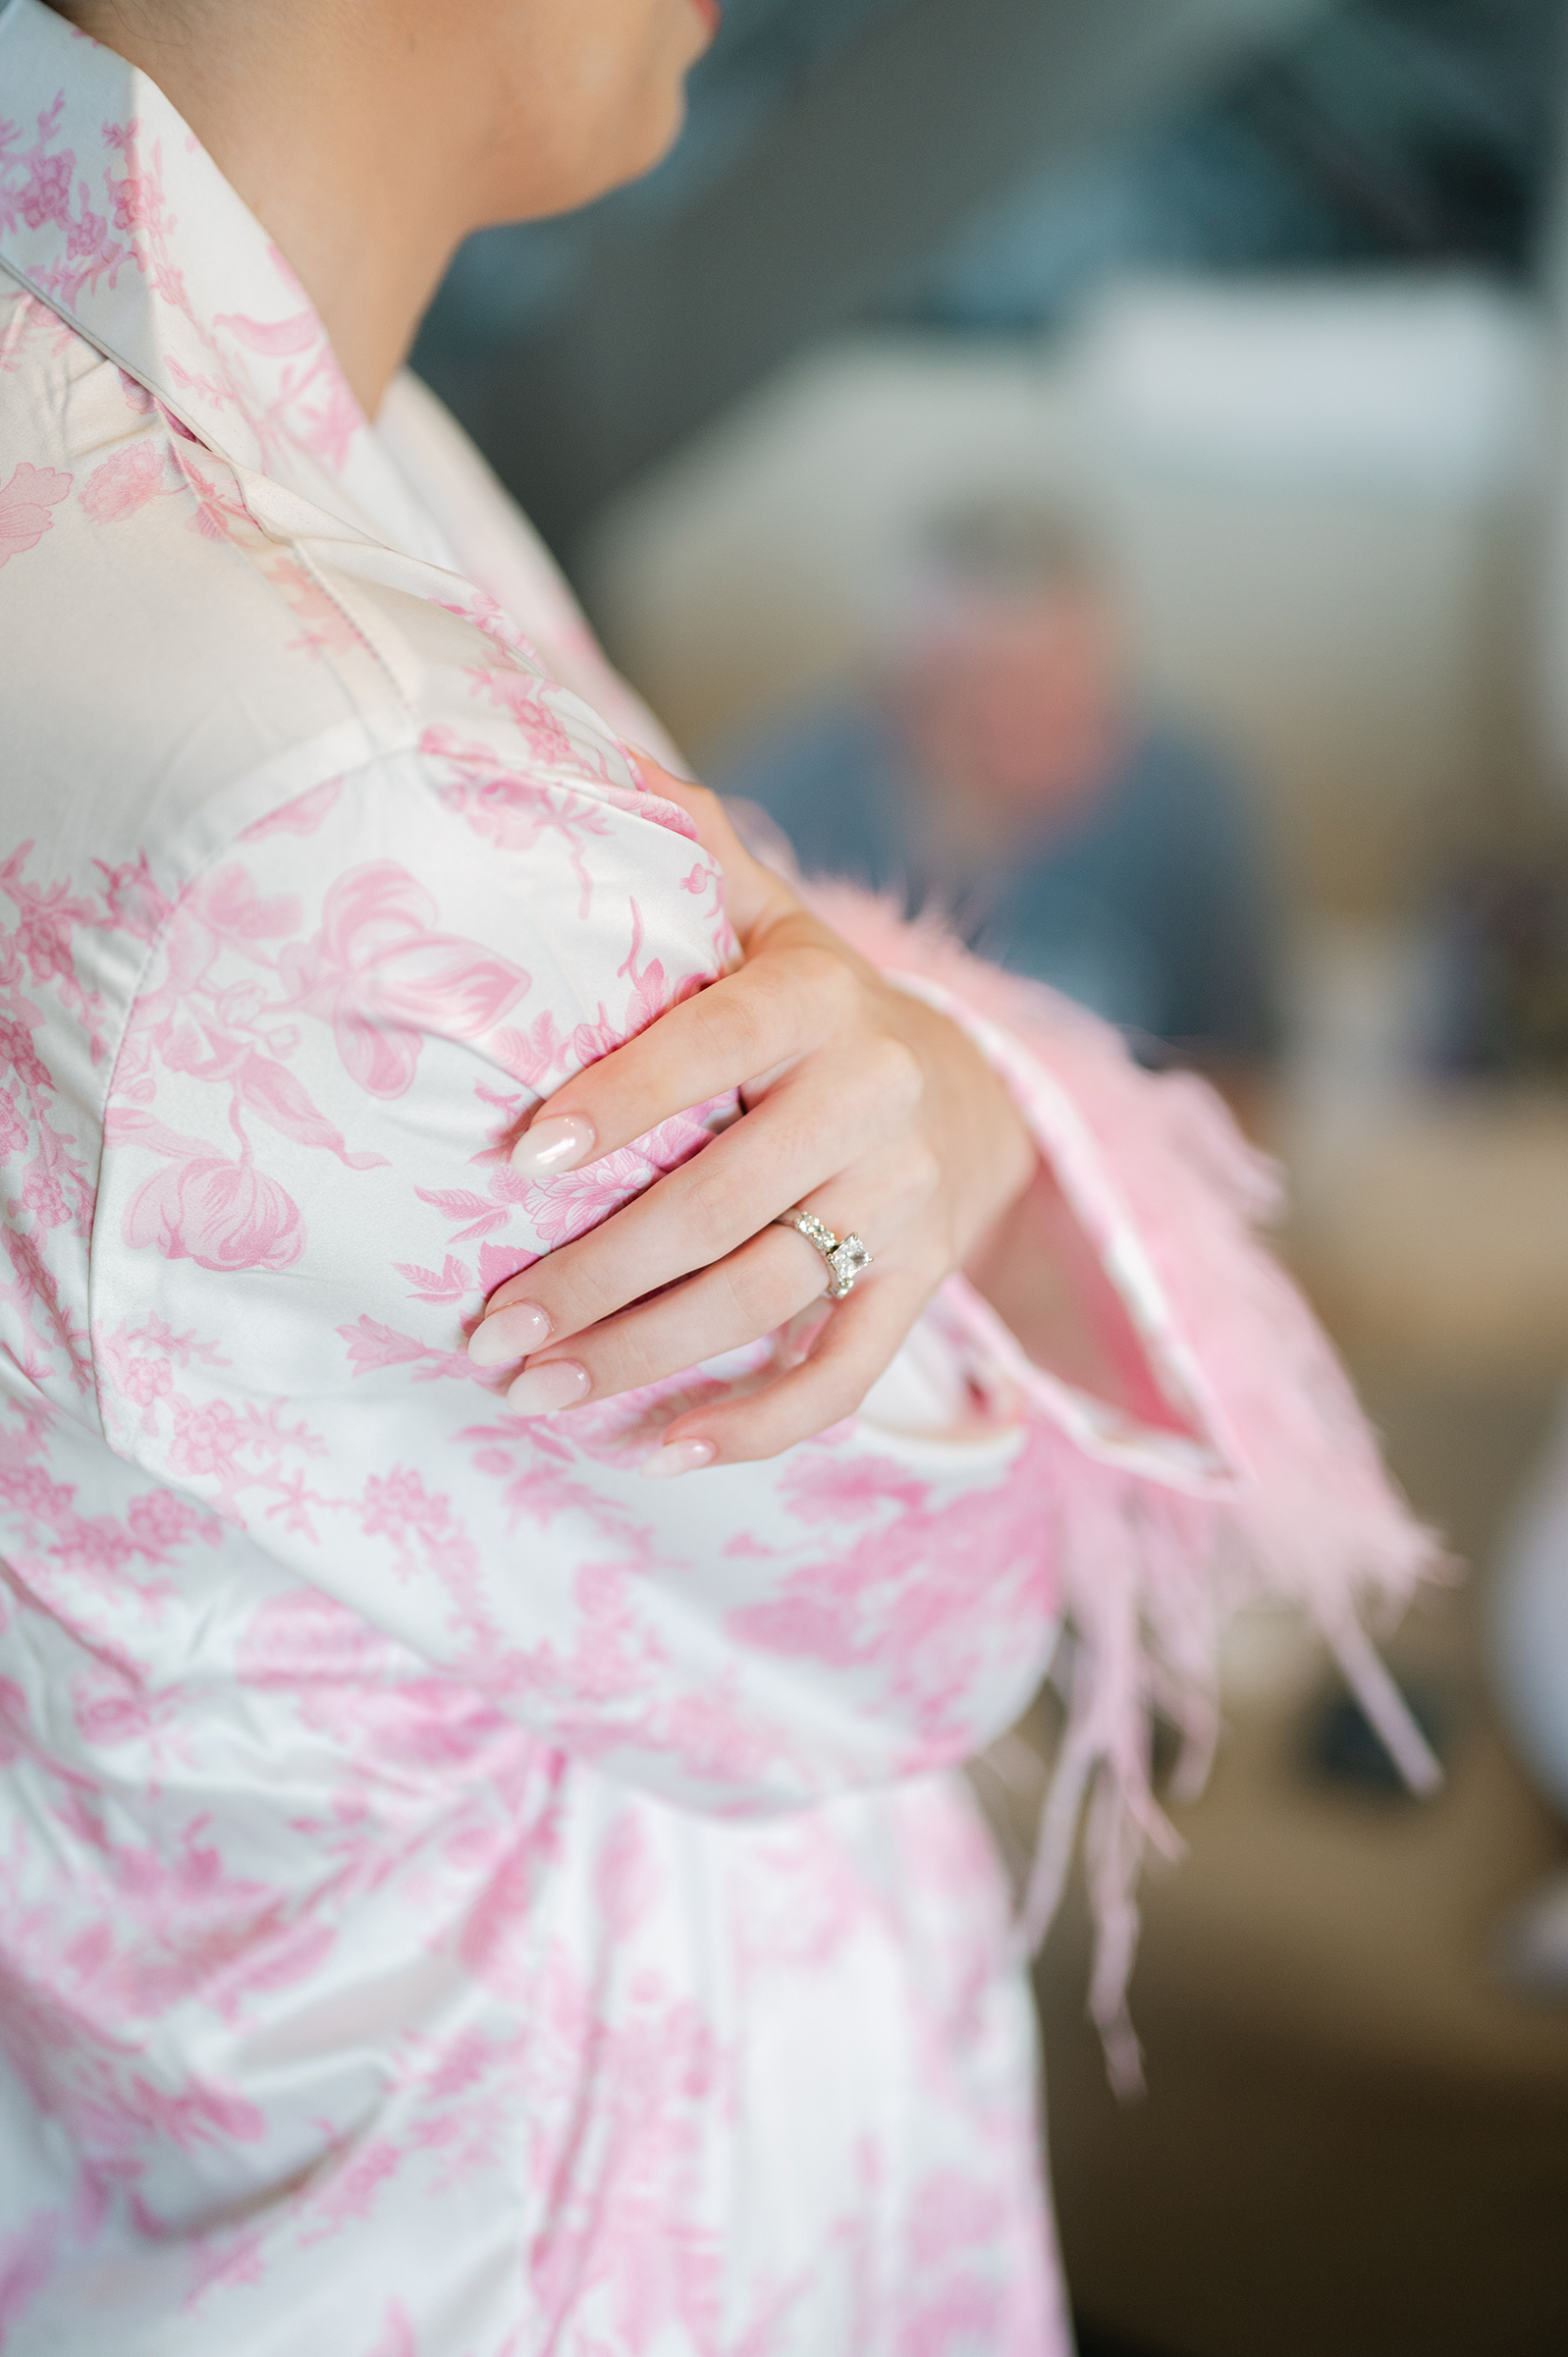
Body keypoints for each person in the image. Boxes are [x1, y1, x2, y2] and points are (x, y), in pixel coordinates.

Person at [0, 1, 1434, 2350]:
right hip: (528, 2242)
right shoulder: (340, 778)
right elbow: (939, 1593)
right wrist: (966, 1097)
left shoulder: (279, 454)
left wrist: (936, 1060)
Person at [717, 499, 1280, 1077]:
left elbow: (1241, 1087)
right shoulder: (781, 798)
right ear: (892, 681)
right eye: (969, 679)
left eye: (1046, 684)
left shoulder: (1187, 812)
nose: (1007, 715)